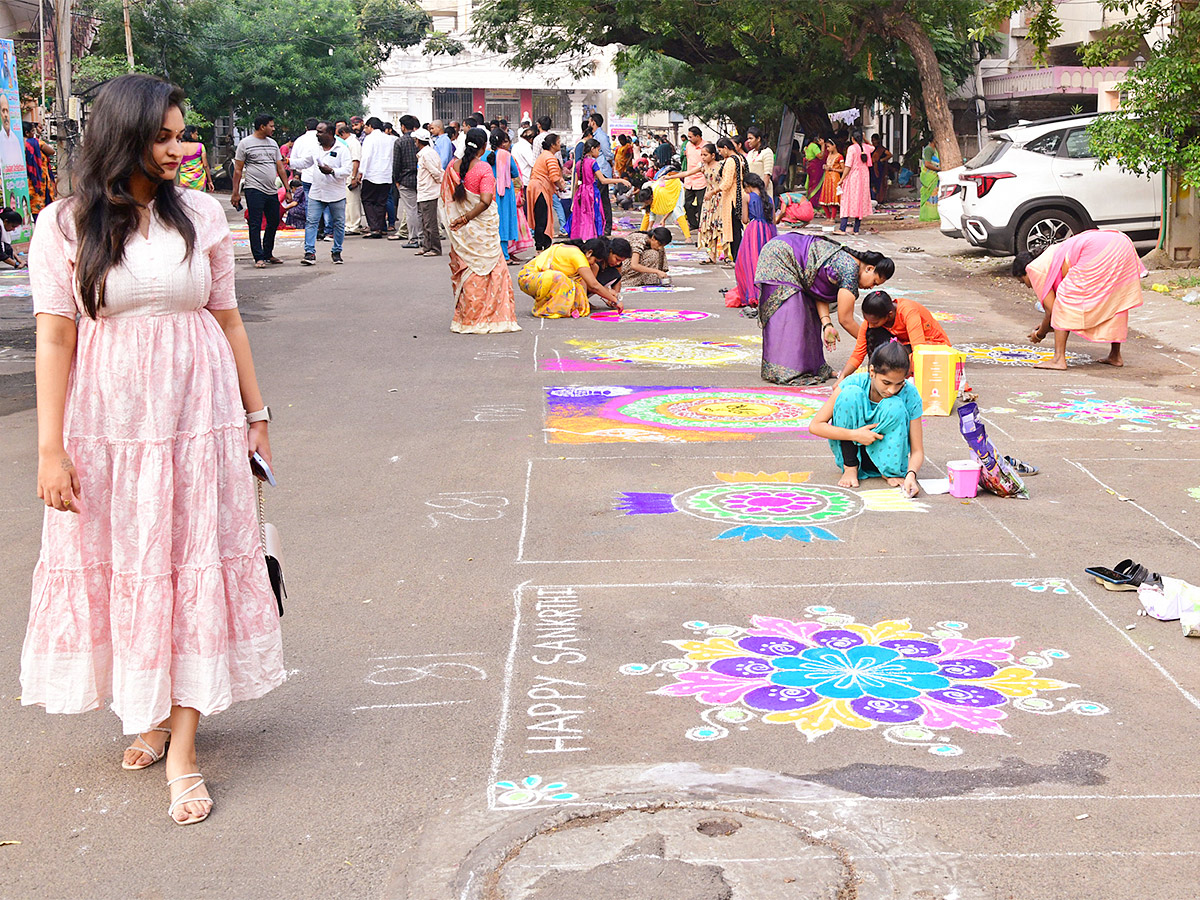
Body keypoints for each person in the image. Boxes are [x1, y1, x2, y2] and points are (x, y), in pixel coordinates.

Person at [23, 73, 284, 827]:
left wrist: (255, 412)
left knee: (191, 560)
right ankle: (147, 711)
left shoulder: (202, 213)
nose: (179, 148)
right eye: (163, 136)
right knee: (130, 564)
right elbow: (55, 335)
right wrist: (50, 450)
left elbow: (228, 318)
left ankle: (184, 749)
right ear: (122, 136)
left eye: (182, 133)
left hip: (198, 422)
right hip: (110, 429)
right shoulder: (65, 226)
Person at [754, 234, 894, 384]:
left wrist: (827, 324)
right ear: (869, 268)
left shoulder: (849, 264)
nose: (871, 287)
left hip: (788, 255)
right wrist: (872, 342)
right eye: (874, 282)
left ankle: (813, 368)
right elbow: (846, 320)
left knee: (810, 315)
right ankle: (784, 370)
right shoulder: (850, 270)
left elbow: (818, 291)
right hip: (780, 257)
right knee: (792, 316)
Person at [1014, 230, 1146, 370]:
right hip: (1121, 242)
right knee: (1113, 298)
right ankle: (1115, 355)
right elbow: (1058, 319)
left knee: (1064, 299)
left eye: (1023, 281)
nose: (1027, 286)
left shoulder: (1034, 268)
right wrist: (1047, 327)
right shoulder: (1052, 254)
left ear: (1025, 272)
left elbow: (1053, 311)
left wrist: (1040, 334)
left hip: (1100, 248)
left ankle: (1058, 359)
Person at [808, 340, 925, 496]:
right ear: (872, 372)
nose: (892, 389)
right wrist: (855, 435)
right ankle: (851, 468)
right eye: (886, 382)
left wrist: (911, 474)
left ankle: (889, 471)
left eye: (899, 384)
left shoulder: (909, 393)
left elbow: (917, 450)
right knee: (850, 395)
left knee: (895, 405)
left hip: (891, 461)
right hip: (854, 454)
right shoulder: (853, 383)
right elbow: (815, 425)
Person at [439, 127, 520, 334]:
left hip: (462, 234)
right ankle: (493, 319)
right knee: (493, 272)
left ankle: (467, 319)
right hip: (480, 230)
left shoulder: (452, 168)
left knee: (469, 272)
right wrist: (466, 218)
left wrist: (459, 220)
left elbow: (445, 199)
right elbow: (485, 201)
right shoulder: (483, 169)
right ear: (484, 147)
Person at [837, 290, 951, 380]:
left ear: (889, 315)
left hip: (933, 346)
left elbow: (919, 351)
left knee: (900, 361)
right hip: (906, 345)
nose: (870, 325)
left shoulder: (908, 312)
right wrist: (842, 376)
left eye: (875, 322)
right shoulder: (872, 321)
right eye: (868, 321)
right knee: (875, 338)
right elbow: (858, 353)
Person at [230, 113, 291, 268]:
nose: (273, 128)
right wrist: (235, 192)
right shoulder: (245, 143)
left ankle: (268, 253)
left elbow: (280, 167)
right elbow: (238, 170)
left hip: (271, 190)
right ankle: (258, 257)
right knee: (255, 223)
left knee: (273, 220)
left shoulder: (273, 143)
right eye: (271, 126)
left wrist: (287, 189)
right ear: (262, 126)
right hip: (253, 189)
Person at [291, 120, 351, 266]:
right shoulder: (315, 148)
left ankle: (336, 251)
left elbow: (347, 170)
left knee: (338, 223)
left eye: (320, 131)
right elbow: (305, 163)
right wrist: (287, 161)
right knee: (311, 222)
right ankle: (309, 252)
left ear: (330, 133)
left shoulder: (342, 149)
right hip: (317, 192)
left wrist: (331, 171)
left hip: (336, 194)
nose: (317, 134)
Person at [520, 237, 623, 318]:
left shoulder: (579, 254)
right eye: (595, 260)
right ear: (589, 253)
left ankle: (561, 306)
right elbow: (594, 285)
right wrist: (615, 300)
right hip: (528, 279)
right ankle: (547, 309)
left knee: (577, 283)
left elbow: (588, 286)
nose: (594, 264)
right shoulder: (578, 256)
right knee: (558, 278)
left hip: (540, 280)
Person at [725, 172, 777, 308]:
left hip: (754, 231)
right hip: (768, 230)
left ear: (748, 186)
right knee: (766, 261)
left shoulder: (746, 197)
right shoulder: (769, 198)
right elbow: (774, 220)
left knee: (749, 262)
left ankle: (753, 293)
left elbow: (745, 219)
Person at [570, 138, 630, 241]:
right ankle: (591, 239)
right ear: (592, 149)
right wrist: (621, 180)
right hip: (591, 193)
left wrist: (573, 202)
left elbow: (576, 183)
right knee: (594, 217)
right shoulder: (593, 163)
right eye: (598, 150)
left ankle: (583, 239)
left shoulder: (579, 163)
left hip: (581, 193)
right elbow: (603, 180)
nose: (599, 152)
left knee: (583, 218)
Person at [486, 128, 523, 263]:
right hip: (505, 193)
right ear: (503, 142)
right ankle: (505, 256)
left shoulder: (485, 155)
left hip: (489, 192)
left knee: (492, 222)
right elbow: (515, 173)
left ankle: (493, 255)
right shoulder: (506, 155)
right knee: (504, 222)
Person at [527, 133, 565, 251]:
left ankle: (541, 245)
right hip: (540, 189)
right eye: (558, 143)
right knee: (542, 219)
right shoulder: (550, 157)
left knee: (540, 218)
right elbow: (554, 177)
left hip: (536, 187)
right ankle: (541, 247)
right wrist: (561, 187)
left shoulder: (544, 155)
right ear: (553, 145)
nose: (560, 145)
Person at [358, 117, 394, 238]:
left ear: (371, 126)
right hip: (385, 174)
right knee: (381, 202)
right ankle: (379, 226)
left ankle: (374, 227)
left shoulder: (370, 139)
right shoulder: (389, 139)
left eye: (366, 127)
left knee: (367, 200)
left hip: (371, 174)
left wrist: (361, 172)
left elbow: (366, 157)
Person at [390, 114, 421, 248]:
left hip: (405, 180)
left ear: (403, 127)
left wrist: (396, 180)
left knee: (410, 210)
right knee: (420, 210)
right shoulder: (420, 139)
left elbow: (396, 164)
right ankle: (422, 236)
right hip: (420, 178)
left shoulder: (400, 142)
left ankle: (413, 238)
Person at [715, 137, 747, 262]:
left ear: (726, 148)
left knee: (734, 230)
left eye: (720, 150)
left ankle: (736, 258)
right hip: (740, 195)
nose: (720, 153)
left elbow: (727, 183)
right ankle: (739, 256)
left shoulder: (730, 161)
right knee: (738, 228)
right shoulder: (740, 157)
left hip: (732, 198)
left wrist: (714, 191)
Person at [413, 127, 443, 256]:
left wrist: (437, 183)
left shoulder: (427, 154)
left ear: (418, 141)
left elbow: (436, 172)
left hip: (429, 191)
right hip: (425, 191)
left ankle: (435, 248)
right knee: (425, 222)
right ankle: (427, 246)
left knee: (430, 222)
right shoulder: (425, 153)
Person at [837, 130, 872, 235]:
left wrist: (842, 179)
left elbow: (848, 166)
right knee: (860, 200)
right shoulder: (866, 148)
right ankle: (856, 229)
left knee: (847, 200)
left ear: (852, 139)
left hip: (854, 176)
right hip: (864, 176)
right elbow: (872, 147)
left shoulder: (851, 148)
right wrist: (865, 139)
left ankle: (842, 228)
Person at [696, 143, 724, 264]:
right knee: (707, 227)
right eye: (701, 155)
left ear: (713, 155)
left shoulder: (721, 166)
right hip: (708, 199)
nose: (703, 157)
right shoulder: (703, 166)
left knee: (719, 226)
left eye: (705, 155)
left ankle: (726, 255)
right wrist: (671, 177)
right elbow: (687, 173)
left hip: (720, 197)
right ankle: (711, 255)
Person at [589, 112, 616, 234]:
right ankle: (605, 226)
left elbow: (607, 152)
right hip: (600, 168)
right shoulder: (595, 135)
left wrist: (610, 161)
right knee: (603, 199)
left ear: (593, 122)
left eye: (590, 121)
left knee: (600, 199)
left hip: (602, 169)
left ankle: (604, 226)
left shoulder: (601, 136)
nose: (589, 123)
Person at [679, 127, 707, 237]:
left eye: (691, 137)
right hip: (689, 178)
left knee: (701, 204)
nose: (689, 139)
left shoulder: (706, 146)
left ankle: (701, 226)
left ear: (698, 136)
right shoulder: (688, 145)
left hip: (701, 179)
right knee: (687, 204)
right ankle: (693, 224)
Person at [338, 122, 366, 234]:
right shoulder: (346, 142)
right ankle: (349, 224)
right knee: (348, 202)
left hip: (351, 175)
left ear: (343, 133)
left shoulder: (353, 143)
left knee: (353, 202)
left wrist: (354, 177)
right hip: (346, 175)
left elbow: (356, 161)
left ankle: (354, 225)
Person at [23, 121, 56, 217]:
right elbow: (52, 151)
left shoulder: (17, 144)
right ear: (27, 133)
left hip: (24, 181)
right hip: (39, 181)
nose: (34, 133)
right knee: (41, 208)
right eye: (32, 131)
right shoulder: (36, 143)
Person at [176, 125, 213, 191]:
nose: (197, 136)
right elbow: (205, 165)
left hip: (184, 181)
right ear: (191, 134)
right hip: (198, 182)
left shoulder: (179, 146)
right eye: (196, 134)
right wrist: (210, 181)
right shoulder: (200, 146)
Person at [745, 126, 776, 201]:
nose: (748, 141)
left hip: (763, 192)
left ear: (758, 139)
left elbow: (767, 175)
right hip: (750, 191)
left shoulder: (767, 152)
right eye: (748, 138)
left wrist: (761, 193)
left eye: (751, 138)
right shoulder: (750, 153)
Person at [819, 137, 843, 221]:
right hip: (827, 178)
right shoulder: (829, 156)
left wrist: (832, 169)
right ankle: (828, 217)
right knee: (824, 199)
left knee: (833, 199)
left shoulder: (839, 156)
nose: (828, 149)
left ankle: (832, 218)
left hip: (834, 178)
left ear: (834, 146)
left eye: (829, 147)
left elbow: (843, 169)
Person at [919, 137, 939, 222]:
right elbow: (927, 164)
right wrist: (939, 169)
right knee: (929, 195)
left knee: (935, 196)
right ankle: (928, 215)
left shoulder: (937, 150)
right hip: (930, 176)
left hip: (936, 176)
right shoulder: (928, 150)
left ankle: (934, 215)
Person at [870, 134, 892, 202]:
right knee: (871, 183)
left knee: (879, 183)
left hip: (879, 168)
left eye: (875, 140)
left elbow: (890, 155)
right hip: (871, 168)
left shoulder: (881, 149)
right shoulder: (871, 148)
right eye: (872, 140)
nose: (873, 142)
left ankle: (879, 199)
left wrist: (881, 160)